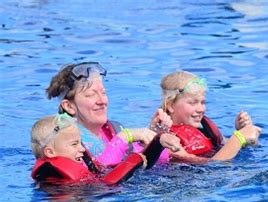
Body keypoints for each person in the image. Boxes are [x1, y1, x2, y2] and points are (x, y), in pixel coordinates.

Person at [46, 62, 177, 168]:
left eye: (103, 93)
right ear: (69, 106)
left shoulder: (113, 129)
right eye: (91, 95)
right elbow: (101, 172)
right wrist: (125, 137)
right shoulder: (66, 141)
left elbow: (159, 163)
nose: (102, 101)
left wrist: (155, 137)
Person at [158, 70, 261, 163]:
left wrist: (243, 133)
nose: (200, 109)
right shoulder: (166, 138)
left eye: (202, 102)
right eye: (193, 103)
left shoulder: (204, 126)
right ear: (170, 105)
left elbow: (224, 145)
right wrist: (238, 138)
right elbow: (215, 165)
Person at [30, 114, 160, 184]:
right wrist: (135, 160)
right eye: (74, 144)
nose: (82, 149)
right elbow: (107, 185)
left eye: (81, 143)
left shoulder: (73, 171)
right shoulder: (54, 176)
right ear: (50, 152)